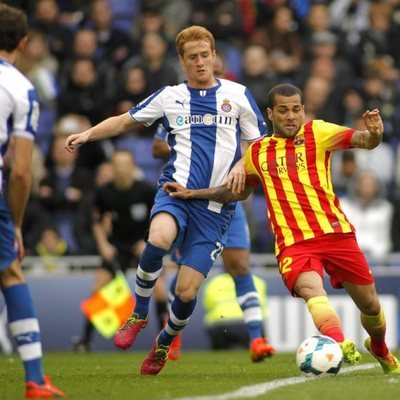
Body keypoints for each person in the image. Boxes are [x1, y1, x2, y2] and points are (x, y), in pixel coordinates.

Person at [64, 25, 267, 375]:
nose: (201, 62)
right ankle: (140, 312)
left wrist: (240, 165)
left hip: (217, 208)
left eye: (206, 55)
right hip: (175, 192)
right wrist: (87, 133)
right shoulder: (170, 96)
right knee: (158, 238)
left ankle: (164, 342)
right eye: (193, 57)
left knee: (186, 292)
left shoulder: (238, 95)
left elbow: (259, 144)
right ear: (182, 61)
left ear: (215, 55)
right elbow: (125, 122)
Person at [164, 83, 400, 375]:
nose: (291, 116)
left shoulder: (318, 132)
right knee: (312, 290)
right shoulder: (258, 152)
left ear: (303, 110)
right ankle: (338, 344)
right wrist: (193, 194)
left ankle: (378, 346)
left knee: (371, 305)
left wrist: (375, 134)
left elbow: (365, 141)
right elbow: (234, 193)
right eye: (283, 110)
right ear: (270, 114)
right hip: (294, 242)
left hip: (336, 234)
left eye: (296, 110)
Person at [152, 125, 275, 361]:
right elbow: (157, 147)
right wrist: (197, 149)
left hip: (227, 200)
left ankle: (257, 339)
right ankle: (173, 336)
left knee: (239, 267)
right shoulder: (178, 103)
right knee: (184, 270)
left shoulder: (236, 105)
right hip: (190, 201)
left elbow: (255, 147)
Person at [0, 4, 64, 398]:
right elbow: (21, 171)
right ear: (23, 43)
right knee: (10, 273)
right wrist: (17, 224)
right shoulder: (21, 88)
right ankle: (36, 379)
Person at [72, 149, 167, 352]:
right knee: (98, 287)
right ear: (112, 169)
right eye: (117, 165)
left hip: (143, 245)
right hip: (117, 247)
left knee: (159, 289)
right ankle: (85, 341)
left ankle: (165, 342)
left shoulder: (146, 190)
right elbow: (96, 221)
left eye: (126, 165)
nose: (122, 170)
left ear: (132, 168)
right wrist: (104, 245)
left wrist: (148, 242)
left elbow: (160, 218)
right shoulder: (103, 192)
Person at [202, 272, 269, 351]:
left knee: (220, 351)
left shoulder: (214, 282)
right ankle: (258, 348)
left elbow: (208, 306)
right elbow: (261, 304)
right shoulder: (258, 281)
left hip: (220, 325)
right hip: (248, 323)